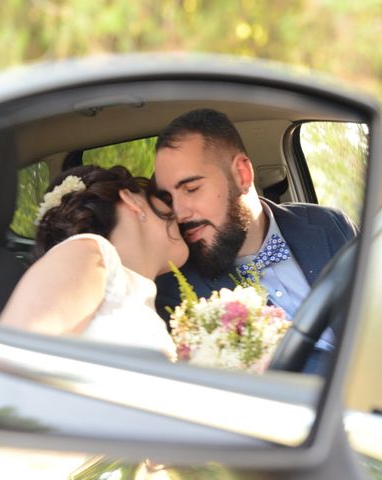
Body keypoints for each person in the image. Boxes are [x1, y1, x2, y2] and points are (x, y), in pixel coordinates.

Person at [153, 109, 357, 373]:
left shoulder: (329, 224)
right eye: (168, 198)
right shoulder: (178, 293)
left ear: (242, 175)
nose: (179, 213)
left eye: (191, 189)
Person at [0, 165, 189, 361]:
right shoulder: (88, 254)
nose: (179, 213)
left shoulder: (140, 295)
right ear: (132, 200)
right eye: (165, 199)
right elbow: (14, 358)